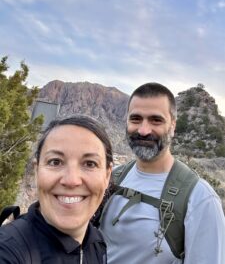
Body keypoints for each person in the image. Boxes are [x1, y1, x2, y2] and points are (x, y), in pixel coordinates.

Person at [100, 82, 225, 264]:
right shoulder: (112, 177)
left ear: (173, 125)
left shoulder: (200, 199)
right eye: (135, 119)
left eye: (156, 120)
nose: (143, 130)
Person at [0, 115, 112, 263]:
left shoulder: (97, 243)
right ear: (36, 171)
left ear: (107, 176)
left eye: (90, 164)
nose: (71, 180)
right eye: (55, 162)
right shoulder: (8, 250)